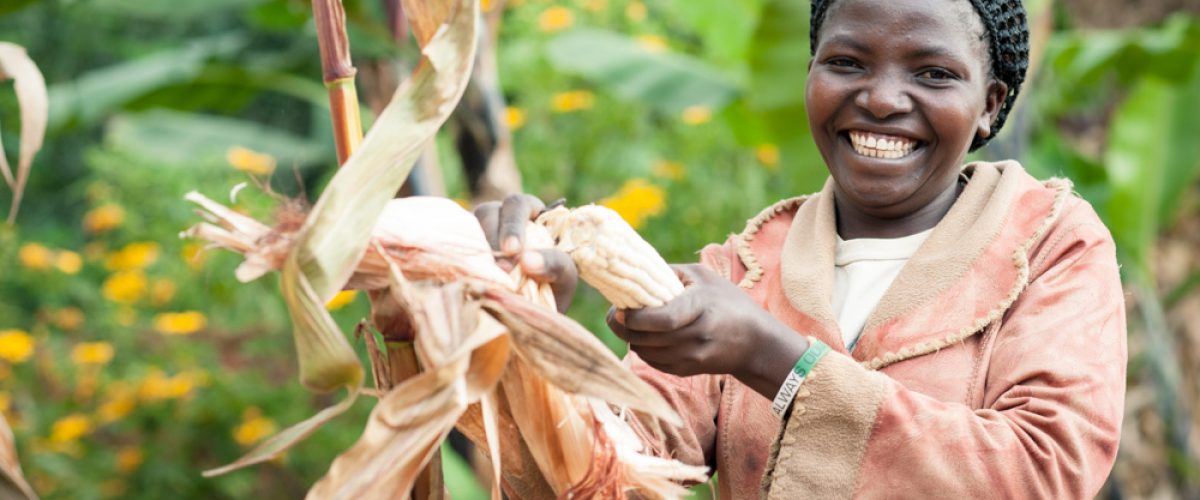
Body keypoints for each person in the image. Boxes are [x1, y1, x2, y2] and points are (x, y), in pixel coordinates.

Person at [475, 0, 1127, 497]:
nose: (880, 98)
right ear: (810, 74)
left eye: (931, 72)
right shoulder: (742, 269)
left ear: (989, 106)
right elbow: (605, 475)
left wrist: (774, 359)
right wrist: (534, 331)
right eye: (847, 63)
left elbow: (1046, 470)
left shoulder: (1049, 245)